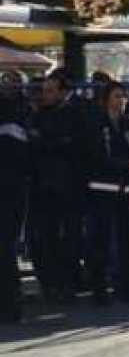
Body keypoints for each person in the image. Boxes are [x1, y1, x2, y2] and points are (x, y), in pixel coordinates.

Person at [83, 81, 129, 304]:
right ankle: (100, 289)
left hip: (126, 190)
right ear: (107, 98)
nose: (121, 101)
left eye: (124, 97)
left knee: (128, 241)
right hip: (102, 190)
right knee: (101, 242)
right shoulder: (96, 123)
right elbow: (97, 158)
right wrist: (127, 164)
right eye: (117, 96)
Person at [28, 71, 85, 302]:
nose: (46, 95)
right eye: (44, 90)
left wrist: (45, 142)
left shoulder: (75, 114)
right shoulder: (40, 115)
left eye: (51, 90)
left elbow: (70, 144)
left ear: (63, 91)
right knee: (45, 237)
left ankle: (69, 282)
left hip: (68, 186)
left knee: (69, 237)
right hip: (43, 187)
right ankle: (51, 283)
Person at [1, 73, 30, 322]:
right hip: (13, 187)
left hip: (11, 189)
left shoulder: (21, 115)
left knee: (6, 249)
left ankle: (11, 306)